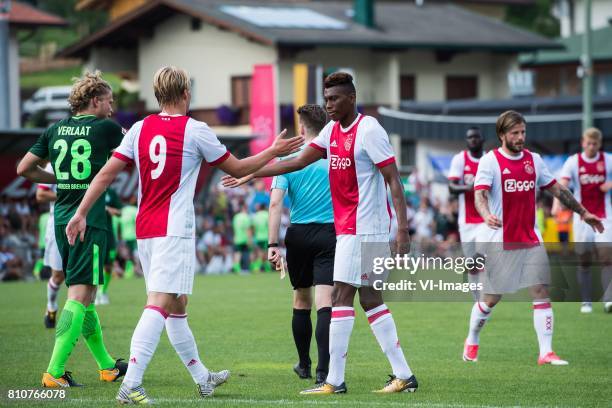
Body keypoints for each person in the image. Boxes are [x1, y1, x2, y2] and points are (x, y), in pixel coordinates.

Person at [65, 66, 304, 403]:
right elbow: (237, 168)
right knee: (160, 304)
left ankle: (202, 377)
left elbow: (105, 174)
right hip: (173, 229)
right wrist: (272, 151)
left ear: (159, 95)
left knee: (178, 304)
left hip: (146, 228)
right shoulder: (195, 130)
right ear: (186, 94)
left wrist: (80, 212)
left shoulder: (139, 128)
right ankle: (131, 383)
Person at [223, 72, 417, 394]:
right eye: (326, 99)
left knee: (342, 296)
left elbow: (393, 180)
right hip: (347, 230)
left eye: (334, 99)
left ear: (351, 99)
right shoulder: (330, 131)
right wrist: (250, 173)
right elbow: (295, 163)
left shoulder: (369, 130)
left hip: (364, 228)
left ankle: (334, 381)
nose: (328, 104)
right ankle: (402, 374)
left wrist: (403, 229)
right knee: (369, 299)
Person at [462, 110, 603, 365]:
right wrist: (485, 214)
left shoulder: (534, 160)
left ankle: (545, 352)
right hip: (500, 239)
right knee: (491, 299)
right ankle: (472, 338)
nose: (520, 137)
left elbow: (557, 189)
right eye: (515, 133)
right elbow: (479, 195)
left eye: (523, 132)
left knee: (541, 291)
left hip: (530, 237)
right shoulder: (490, 161)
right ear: (502, 134)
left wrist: (583, 213)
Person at [17, 71, 128, 387]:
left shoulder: (53, 129)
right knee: (79, 295)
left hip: (62, 217)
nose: (111, 106)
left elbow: (23, 168)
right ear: (95, 100)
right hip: (89, 220)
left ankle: (107, 366)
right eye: (109, 100)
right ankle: (54, 372)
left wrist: (59, 180)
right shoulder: (106, 128)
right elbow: (136, 149)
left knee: (87, 295)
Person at [224, 104, 334, 385]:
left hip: (298, 235)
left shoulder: (289, 161)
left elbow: (275, 203)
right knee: (325, 304)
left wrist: (272, 244)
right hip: (330, 234)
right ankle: (325, 371)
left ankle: (305, 365)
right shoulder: (333, 157)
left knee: (301, 300)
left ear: (302, 128)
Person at [553, 128, 612, 313]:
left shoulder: (608, 160)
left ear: (600, 144)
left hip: (604, 217)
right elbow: (561, 186)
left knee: (606, 259)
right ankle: (586, 301)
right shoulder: (573, 162)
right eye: (589, 143)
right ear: (582, 142)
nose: (592, 147)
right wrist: (556, 204)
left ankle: (608, 300)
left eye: (595, 144)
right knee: (584, 261)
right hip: (581, 219)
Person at [36, 164, 65, 328]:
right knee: (58, 275)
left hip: (85, 221)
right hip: (58, 222)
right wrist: (67, 195)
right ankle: (51, 306)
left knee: (84, 276)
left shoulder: (90, 152)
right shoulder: (54, 163)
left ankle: (85, 321)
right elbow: (41, 194)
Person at [95, 188, 121, 305]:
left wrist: (110, 210)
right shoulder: (91, 188)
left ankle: (103, 292)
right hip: (94, 233)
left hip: (109, 234)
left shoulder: (111, 192)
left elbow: (120, 212)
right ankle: (93, 294)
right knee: (95, 265)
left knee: (109, 265)